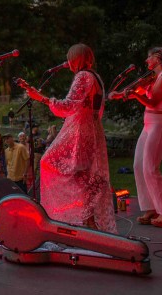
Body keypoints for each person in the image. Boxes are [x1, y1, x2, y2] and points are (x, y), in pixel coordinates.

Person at [22, 43, 116, 233]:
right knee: (84, 174)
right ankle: (88, 219)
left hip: (80, 130)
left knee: (50, 162)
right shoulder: (95, 77)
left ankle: (75, 216)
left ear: (75, 59)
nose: (67, 62)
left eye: (69, 58)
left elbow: (68, 106)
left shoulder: (82, 76)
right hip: (92, 128)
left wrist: (41, 98)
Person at [111, 47, 162, 228]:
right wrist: (120, 95)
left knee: (150, 168)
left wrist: (135, 94)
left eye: (149, 57)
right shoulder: (154, 78)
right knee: (138, 165)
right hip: (149, 126)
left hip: (159, 126)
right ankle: (151, 207)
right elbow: (136, 91)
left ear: (158, 57)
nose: (146, 61)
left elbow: (153, 101)